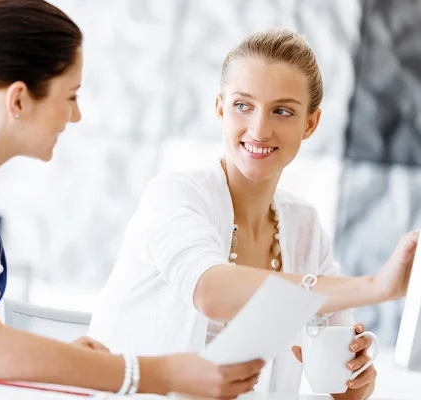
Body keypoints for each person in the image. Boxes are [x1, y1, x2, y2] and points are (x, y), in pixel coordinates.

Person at [0, 0, 270, 398]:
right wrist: (161, 374)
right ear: (18, 99)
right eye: (70, 96)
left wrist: (58, 360)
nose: (76, 115)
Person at [88, 27, 419, 399]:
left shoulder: (305, 227)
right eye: (243, 105)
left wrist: (355, 381)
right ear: (220, 109)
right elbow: (210, 291)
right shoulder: (174, 196)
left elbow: (339, 383)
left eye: (282, 111)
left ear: (310, 124)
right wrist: (374, 287)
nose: (259, 130)